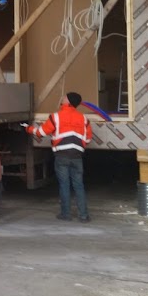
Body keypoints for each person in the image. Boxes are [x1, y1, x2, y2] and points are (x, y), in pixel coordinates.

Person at [24, 92, 92, 222]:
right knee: (79, 185)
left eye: (65, 97)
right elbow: (88, 139)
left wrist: (28, 128)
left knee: (64, 185)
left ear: (68, 102)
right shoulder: (83, 119)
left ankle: (66, 214)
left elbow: (41, 132)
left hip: (62, 156)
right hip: (77, 156)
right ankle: (83, 216)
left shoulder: (56, 117)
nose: (62, 98)